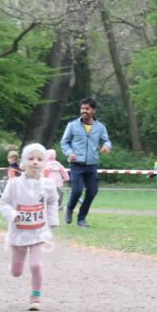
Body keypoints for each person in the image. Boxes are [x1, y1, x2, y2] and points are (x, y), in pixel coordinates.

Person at [0, 143, 59, 311]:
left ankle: (35, 297)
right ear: (23, 163)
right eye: (31, 159)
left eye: (39, 159)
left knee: (36, 265)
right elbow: (3, 204)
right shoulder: (14, 184)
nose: (35, 162)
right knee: (16, 272)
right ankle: (14, 266)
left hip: (39, 231)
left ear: (44, 164)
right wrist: (13, 214)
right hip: (19, 233)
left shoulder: (48, 184)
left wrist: (53, 220)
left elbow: (53, 202)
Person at [60, 97, 111, 227]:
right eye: (82, 108)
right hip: (76, 164)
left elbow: (106, 140)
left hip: (92, 165)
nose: (84, 111)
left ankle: (81, 218)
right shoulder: (72, 125)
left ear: (93, 110)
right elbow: (64, 142)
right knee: (76, 190)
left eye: (87, 108)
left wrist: (106, 146)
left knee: (92, 191)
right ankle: (69, 208)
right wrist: (69, 153)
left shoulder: (100, 127)